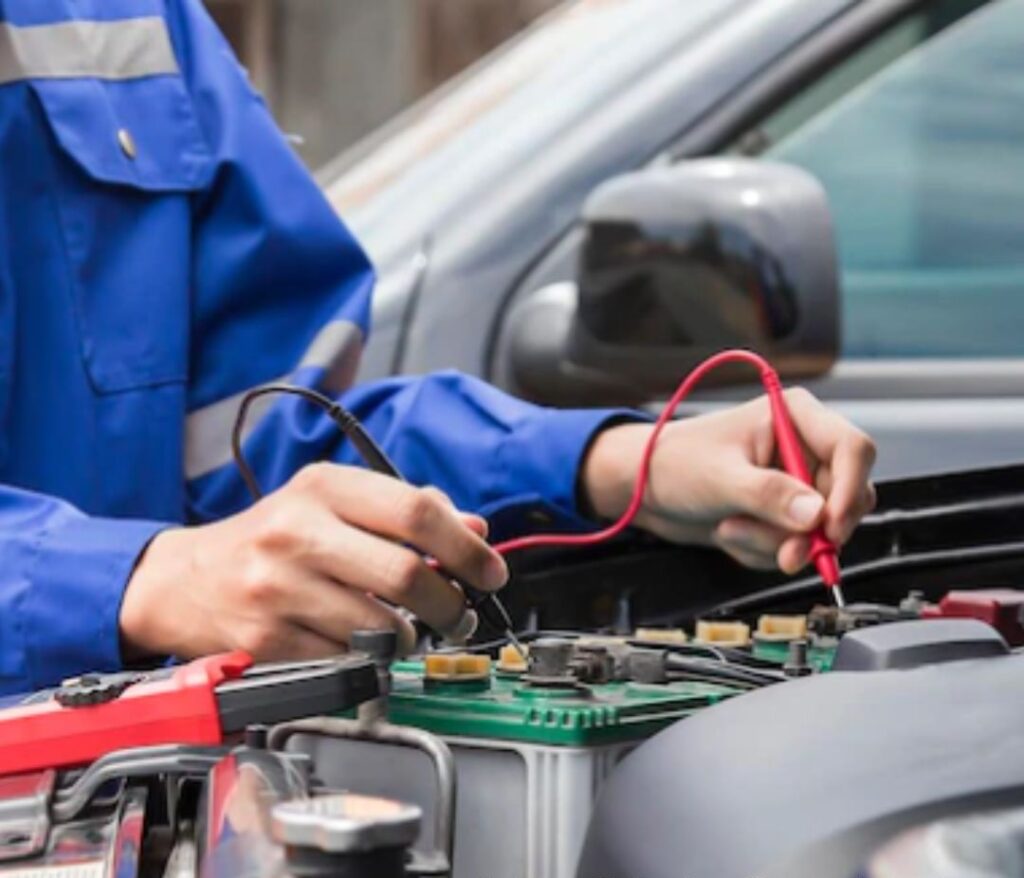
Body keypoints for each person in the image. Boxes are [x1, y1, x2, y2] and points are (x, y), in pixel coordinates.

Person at [0, 0, 876, 696]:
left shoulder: (125, 16)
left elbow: (262, 433)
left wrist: (611, 464)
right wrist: (134, 580)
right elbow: (194, 558)